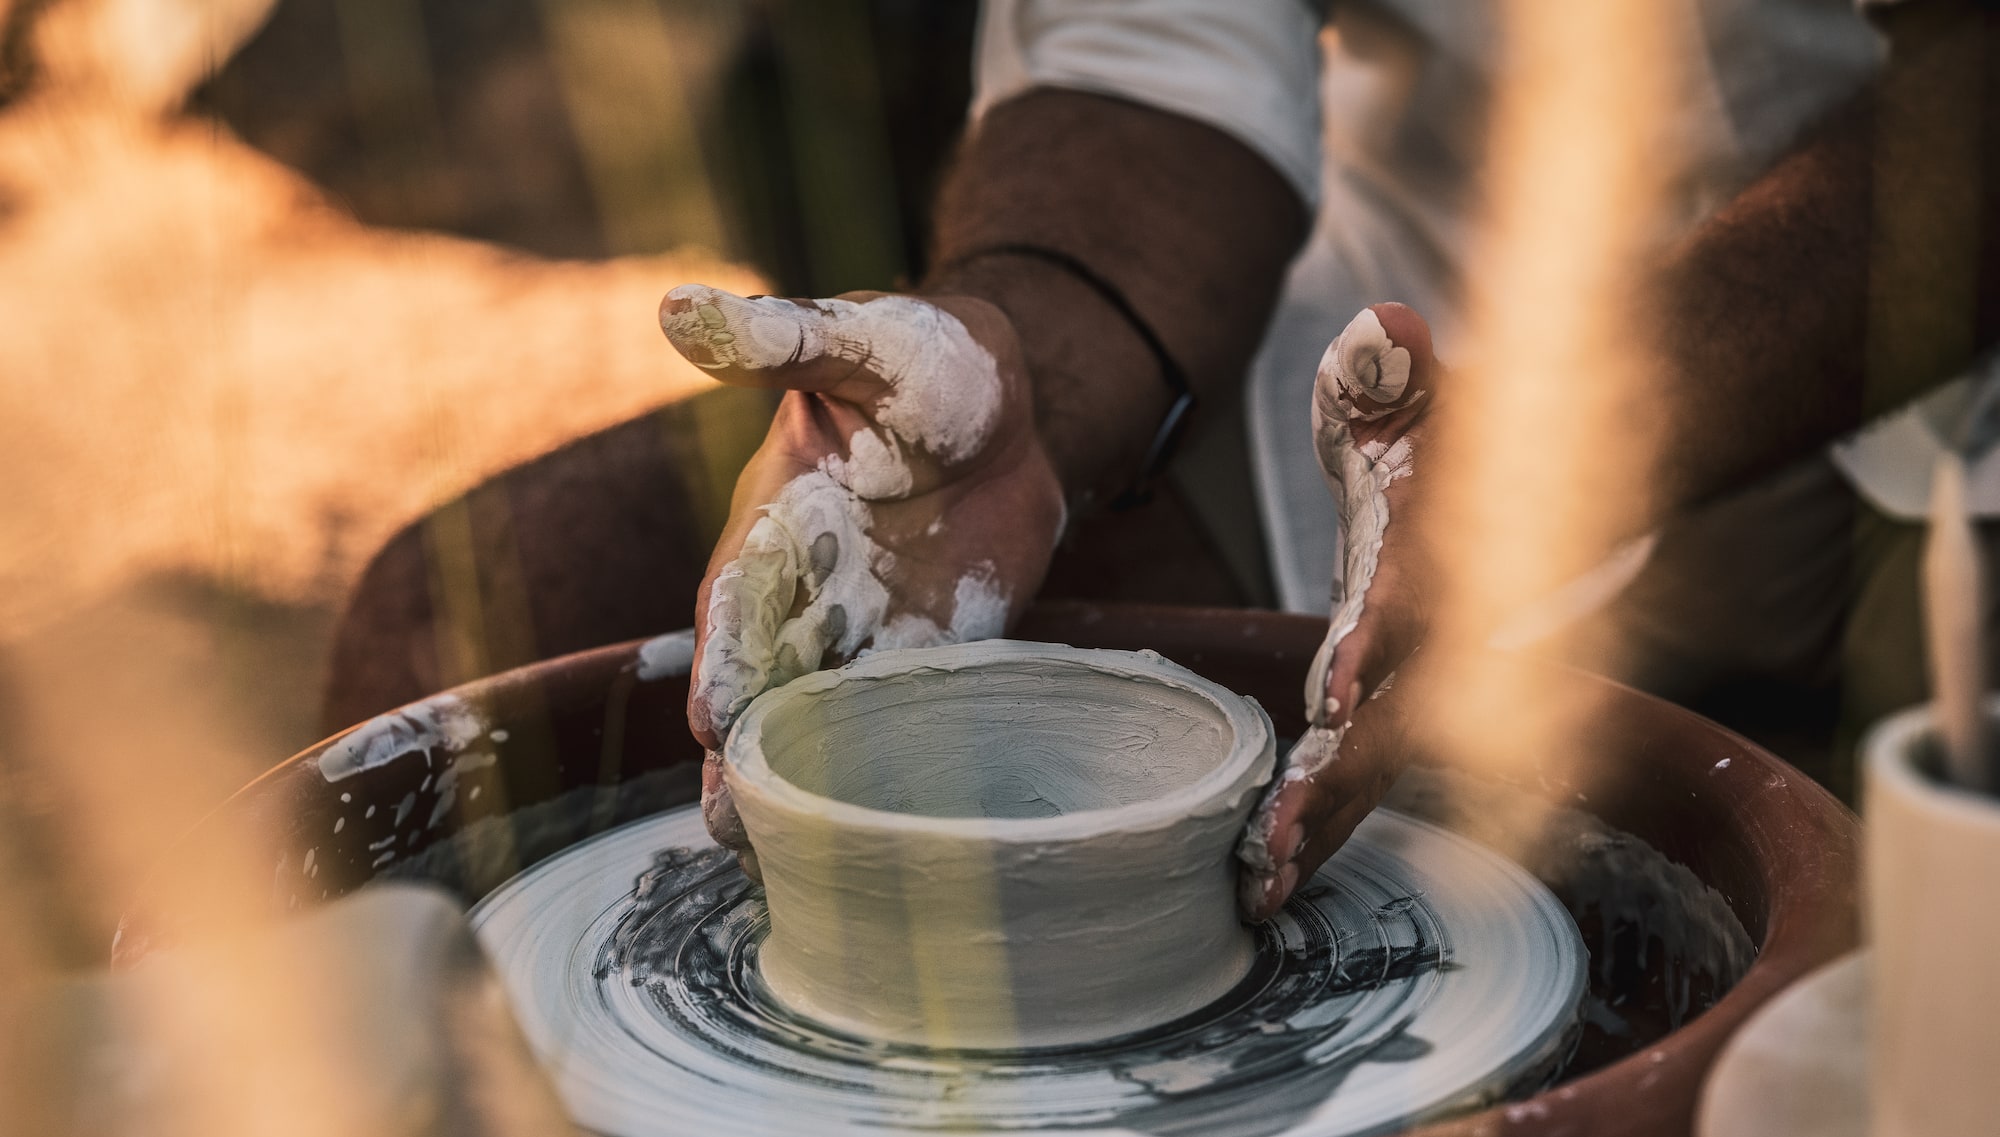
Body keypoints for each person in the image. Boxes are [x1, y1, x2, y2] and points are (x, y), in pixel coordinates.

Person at [327, 0, 1998, 901]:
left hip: (1908, 387)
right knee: (472, 619)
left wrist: (1559, 448)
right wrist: (1027, 363)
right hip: (1401, 340)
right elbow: (1154, 58)